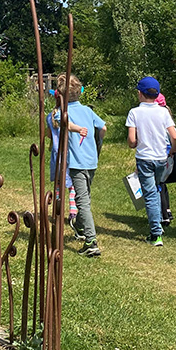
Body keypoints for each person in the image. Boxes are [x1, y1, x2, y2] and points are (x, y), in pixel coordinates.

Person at [126, 77, 176, 246]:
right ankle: (158, 223)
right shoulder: (163, 112)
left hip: (144, 159)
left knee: (149, 194)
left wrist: (135, 143)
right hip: (161, 159)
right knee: (156, 190)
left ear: (139, 93)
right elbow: (175, 136)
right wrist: (173, 150)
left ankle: (156, 234)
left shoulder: (134, 112)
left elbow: (131, 141)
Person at [57, 73, 106, 257]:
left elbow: (64, 124)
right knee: (85, 196)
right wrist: (98, 145)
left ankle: (91, 242)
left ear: (60, 95)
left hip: (77, 163)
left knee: (82, 201)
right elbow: (103, 128)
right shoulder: (87, 110)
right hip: (91, 160)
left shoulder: (64, 112)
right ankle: (79, 226)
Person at [46, 99, 86, 239]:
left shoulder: (50, 117)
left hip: (56, 155)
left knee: (58, 184)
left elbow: (49, 134)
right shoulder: (68, 117)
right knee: (72, 185)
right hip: (69, 154)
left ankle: (58, 210)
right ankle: (73, 212)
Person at [155, 93, 175, 227]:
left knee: (158, 186)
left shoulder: (157, 118)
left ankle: (163, 215)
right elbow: (175, 137)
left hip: (159, 155)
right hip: (169, 155)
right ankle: (167, 209)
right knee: (163, 183)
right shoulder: (168, 117)